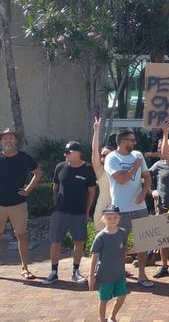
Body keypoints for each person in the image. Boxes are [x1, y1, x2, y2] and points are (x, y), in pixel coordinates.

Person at [42, 141, 97, 285]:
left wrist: (86, 210)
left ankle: (75, 271)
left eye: (69, 152)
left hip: (79, 213)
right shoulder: (60, 167)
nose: (65, 154)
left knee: (79, 241)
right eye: (65, 152)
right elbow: (55, 188)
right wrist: (56, 206)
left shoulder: (88, 168)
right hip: (60, 212)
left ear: (78, 153)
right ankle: (53, 272)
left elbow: (91, 192)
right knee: (55, 241)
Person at [104, 128, 153, 288]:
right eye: (131, 140)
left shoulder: (137, 155)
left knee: (143, 241)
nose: (134, 142)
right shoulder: (112, 157)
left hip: (139, 207)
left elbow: (147, 177)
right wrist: (135, 166)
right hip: (120, 208)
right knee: (120, 244)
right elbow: (122, 179)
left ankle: (142, 275)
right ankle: (119, 274)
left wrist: (144, 192)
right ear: (122, 141)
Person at [0, 127, 42, 280]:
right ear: (1, 141)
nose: (8, 141)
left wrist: (29, 189)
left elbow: (38, 173)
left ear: (15, 141)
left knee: (22, 235)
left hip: (18, 204)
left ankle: (25, 268)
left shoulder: (24, 158)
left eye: (11, 138)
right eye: (5, 138)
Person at [89, 205, 128, 322]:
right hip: (105, 275)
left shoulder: (122, 232)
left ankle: (112, 316)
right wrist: (91, 275)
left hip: (119, 273)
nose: (112, 220)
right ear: (103, 219)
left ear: (119, 218)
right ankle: (102, 319)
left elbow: (123, 249)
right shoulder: (100, 237)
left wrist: (130, 251)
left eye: (115, 217)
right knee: (104, 300)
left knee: (122, 296)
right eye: (109, 218)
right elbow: (94, 256)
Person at [149, 139, 169, 279]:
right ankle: (164, 266)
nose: (168, 152)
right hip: (162, 206)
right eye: (166, 149)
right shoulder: (158, 165)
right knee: (163, 238)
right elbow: (146, 177)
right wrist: (152, 190)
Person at [91, 118, 114, 231]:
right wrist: (96, 131)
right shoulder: (100, 170)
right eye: (103, 155)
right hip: (102, 209)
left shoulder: (120, 170)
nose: (104, 157)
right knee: (100, 240)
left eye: (108, 155)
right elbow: (94, 151)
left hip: (118, 211)